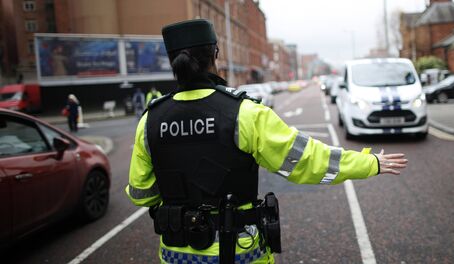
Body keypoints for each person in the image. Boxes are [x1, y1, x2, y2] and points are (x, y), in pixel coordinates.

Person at [126, 19, 408, 264]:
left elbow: (142, 194)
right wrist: (369, 163)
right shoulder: (244, 113)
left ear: (173, 61)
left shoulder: (150, 120)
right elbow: (306, 161)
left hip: (176, 254)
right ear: (215, 54)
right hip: (239, 252)